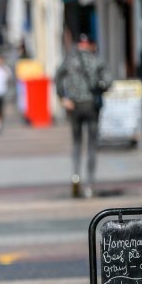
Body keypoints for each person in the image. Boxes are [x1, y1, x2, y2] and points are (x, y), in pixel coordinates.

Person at [55, 34, 113, 198]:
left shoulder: (70, 59)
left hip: (74, 106)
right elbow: (108, 81)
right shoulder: (97, 60)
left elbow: (58, 78)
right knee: (92, 145)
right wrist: (99, 88)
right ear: (89, 44)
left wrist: (63, 98)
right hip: (91, 105)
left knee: (76, 143)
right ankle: (91, 183)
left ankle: (75, 176)